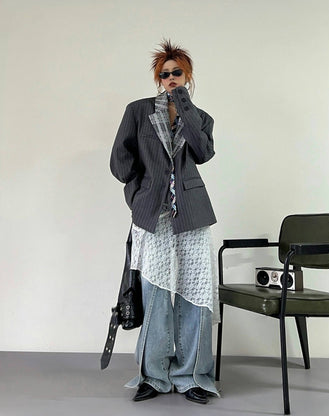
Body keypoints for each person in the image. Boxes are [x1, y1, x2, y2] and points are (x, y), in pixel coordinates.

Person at [110, 40, 219, 405]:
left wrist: (183, 103)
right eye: (165, 73)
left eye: (177, 73)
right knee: (155, 292)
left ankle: (193, 376)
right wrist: (138, 195)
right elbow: (120, 161)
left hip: (192, 213)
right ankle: (153, 376)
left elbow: (203, 153)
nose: (170, 78)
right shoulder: (138, 111)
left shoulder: (200, 117)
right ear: (157, 78)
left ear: (187, 75)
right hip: (152, 214)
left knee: (196, 294)